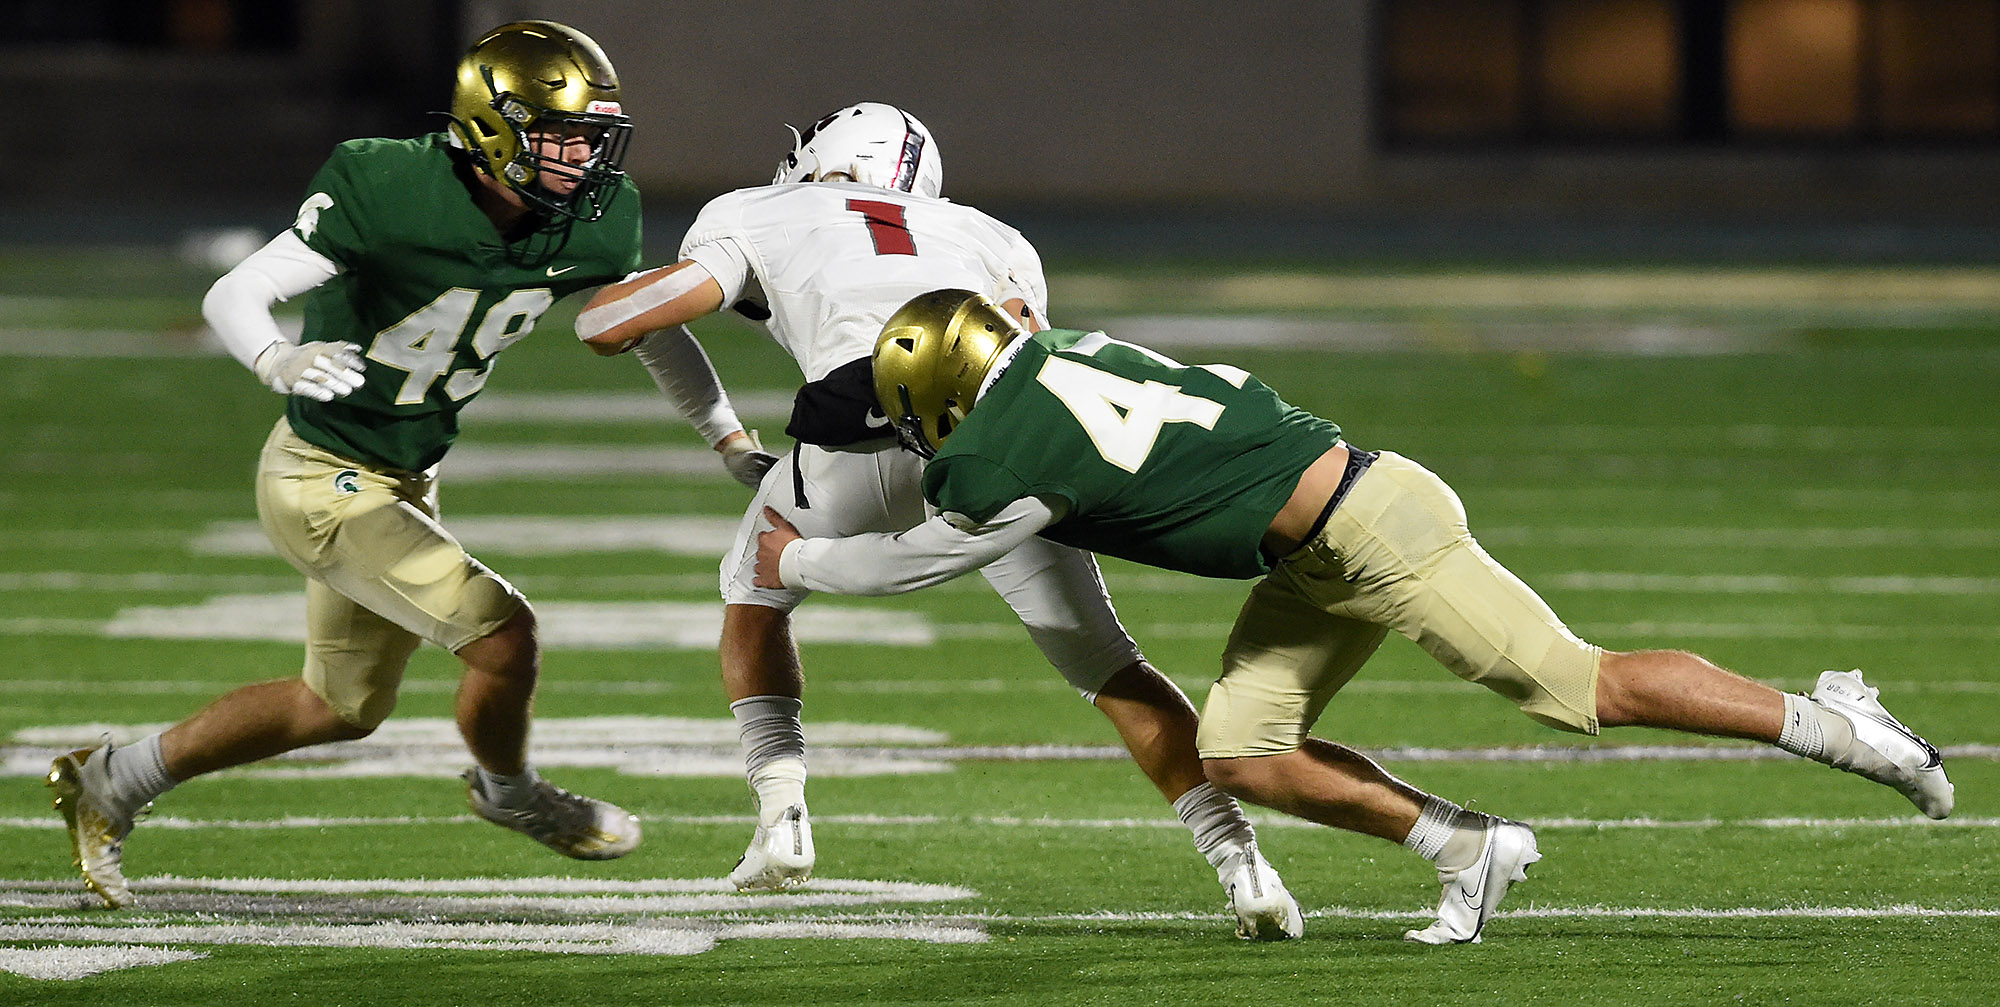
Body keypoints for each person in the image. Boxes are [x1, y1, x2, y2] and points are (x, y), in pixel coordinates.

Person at [752, 288, 1956, 945]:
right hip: (1319, 539)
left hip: (1371, 533)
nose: (910, 438)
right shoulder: (1058, 351)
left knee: (1579, 686)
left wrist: (796, 554)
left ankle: (1829, 719)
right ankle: (1469, 849)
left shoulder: (995, 455)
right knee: (1239, 749)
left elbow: (903, 566)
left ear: (945, 395)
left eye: (912, 415)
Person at [43, 21, 771, 909]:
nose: (584, 156)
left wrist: (726, 434)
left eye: (594, 133)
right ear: (492, 129)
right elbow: (237, 290)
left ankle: (110, 781)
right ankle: (510, 792)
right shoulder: (389, 181)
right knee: (502, 635)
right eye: (561, 134)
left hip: (406, 476)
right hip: (321, 473)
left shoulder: (595, 216)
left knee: (338, 707)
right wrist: (276, 359)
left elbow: (647, 325)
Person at [574, 103, 1304, 939]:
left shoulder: (757, 210)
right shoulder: (993, 235)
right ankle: (1245, 865)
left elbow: (621, 321)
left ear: (823, 157)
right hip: (989, 443)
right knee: (1108, 665)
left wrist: (729, 439)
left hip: (853, 435)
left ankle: (784, 817)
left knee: (754, 592)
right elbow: (1026, 367)